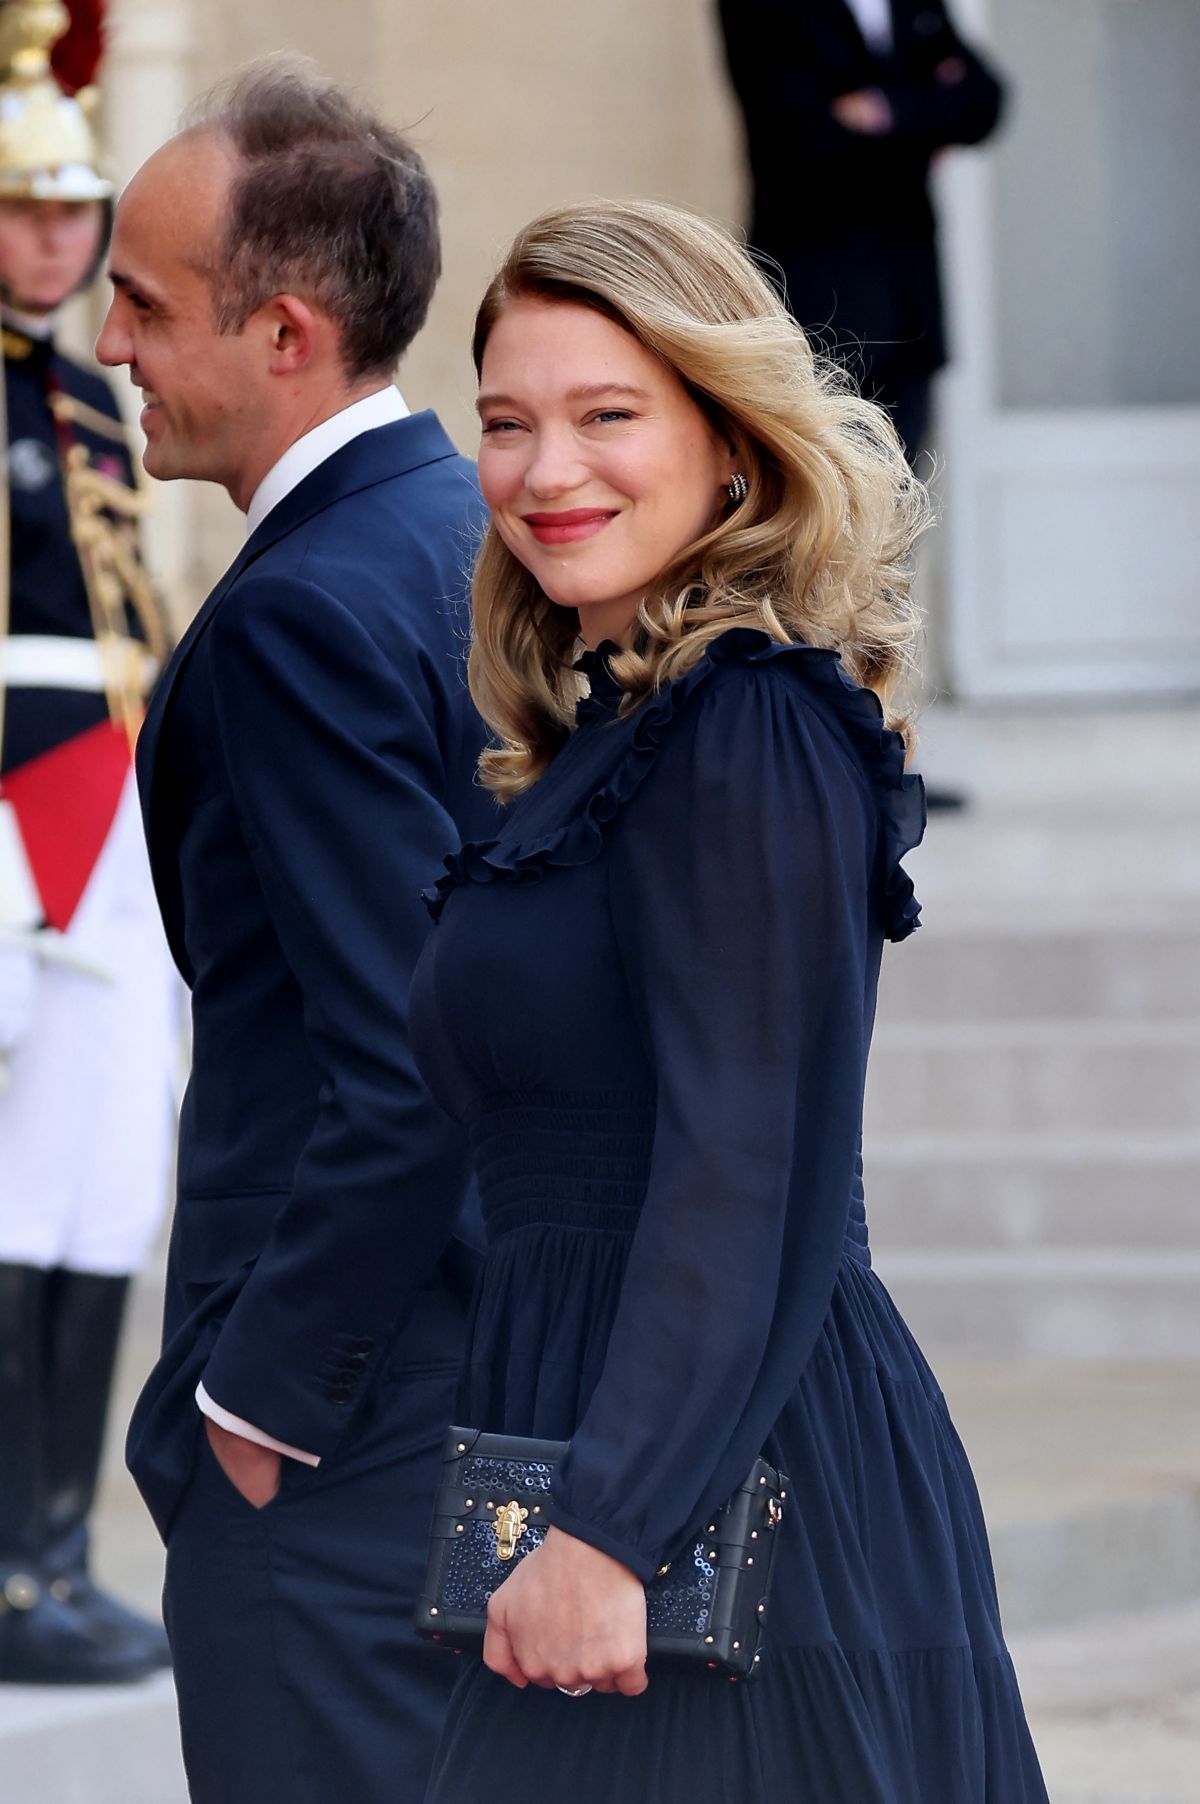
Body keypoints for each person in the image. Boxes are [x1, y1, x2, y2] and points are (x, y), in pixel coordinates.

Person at [410, 199, 1049, 1802]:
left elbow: (741, 1163)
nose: (547, 470)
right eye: (506, 423)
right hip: (606, 1441)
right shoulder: (611, 739)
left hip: (729, 1485)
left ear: (732, 445)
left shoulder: (747, 729)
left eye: (608, 416)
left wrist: (616, 1523)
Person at [95, 60, 493, 1804]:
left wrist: (257, 1399)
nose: (110, 346)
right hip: (461, 1396)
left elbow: (414, 1048)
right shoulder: (467, 530)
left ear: (281, 331)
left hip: (342, 1455)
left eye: (142, 302)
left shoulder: (305, 611)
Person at [0, 0, 176, 1685]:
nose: (58, 236)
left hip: (102, 801)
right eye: (25, 206)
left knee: (96, 1180)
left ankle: (48, 1549)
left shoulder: (81, 386)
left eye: (75, 209)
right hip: (13, 803)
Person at [717, 0, 1005, 466]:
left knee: (899, 500)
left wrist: (885, 109)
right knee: (821, 499)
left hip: (910, 301)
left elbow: (984, 101)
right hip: (817, 298)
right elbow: (800, 137)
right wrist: (927, 113)